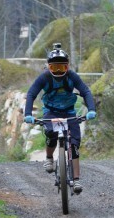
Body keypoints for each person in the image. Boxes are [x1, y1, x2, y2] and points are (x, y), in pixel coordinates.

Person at [24, 43, 96, 194]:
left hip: (69, 112)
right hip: (51, 112)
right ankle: (49, 157)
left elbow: (85, 91)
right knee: (51, 135)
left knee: (74, 145)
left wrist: (91, 110)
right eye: (54, 67)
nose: (58, 71)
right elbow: (31, 94)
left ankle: (76, 180)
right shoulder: (44, 77)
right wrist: (28, 114)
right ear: (48, 67)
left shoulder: (72, 76)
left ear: (67, 67)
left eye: (61, 67)